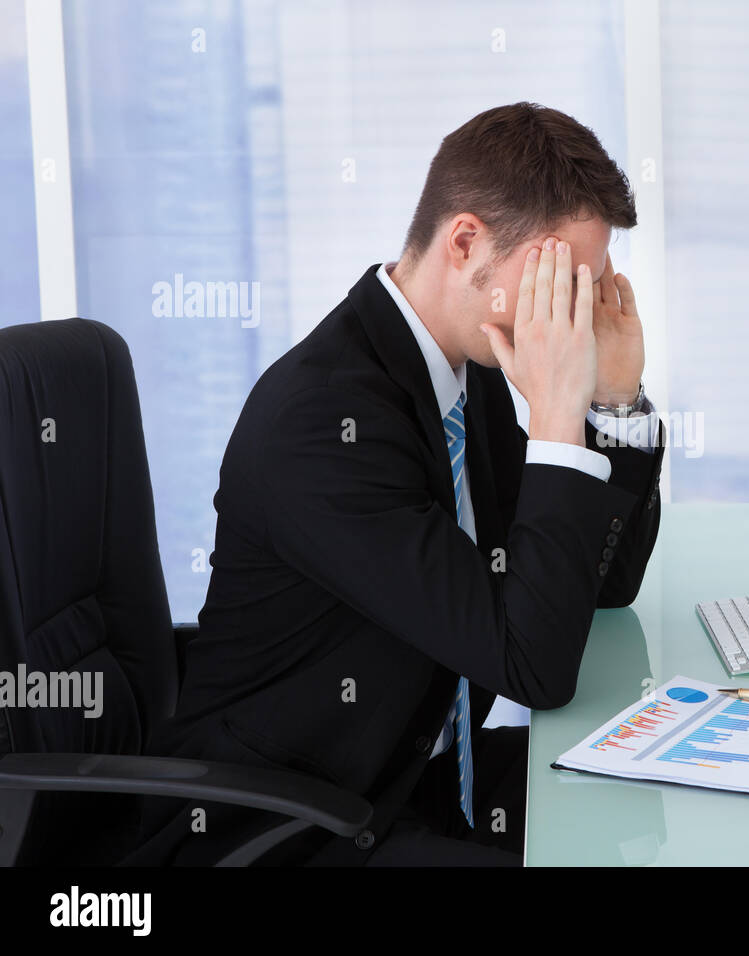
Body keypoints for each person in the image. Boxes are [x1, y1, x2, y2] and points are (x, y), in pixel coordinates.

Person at [128, 102, 663, 866]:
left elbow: (601, 582)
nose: (569, 316)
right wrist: (554, 416)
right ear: (467, 242)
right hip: (292, 824)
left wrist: (611, 400)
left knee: (660, 817)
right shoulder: (322, 424)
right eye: (555, 281)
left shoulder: (462, 368)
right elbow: (533, 667)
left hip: (421, 774)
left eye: (585, 287)